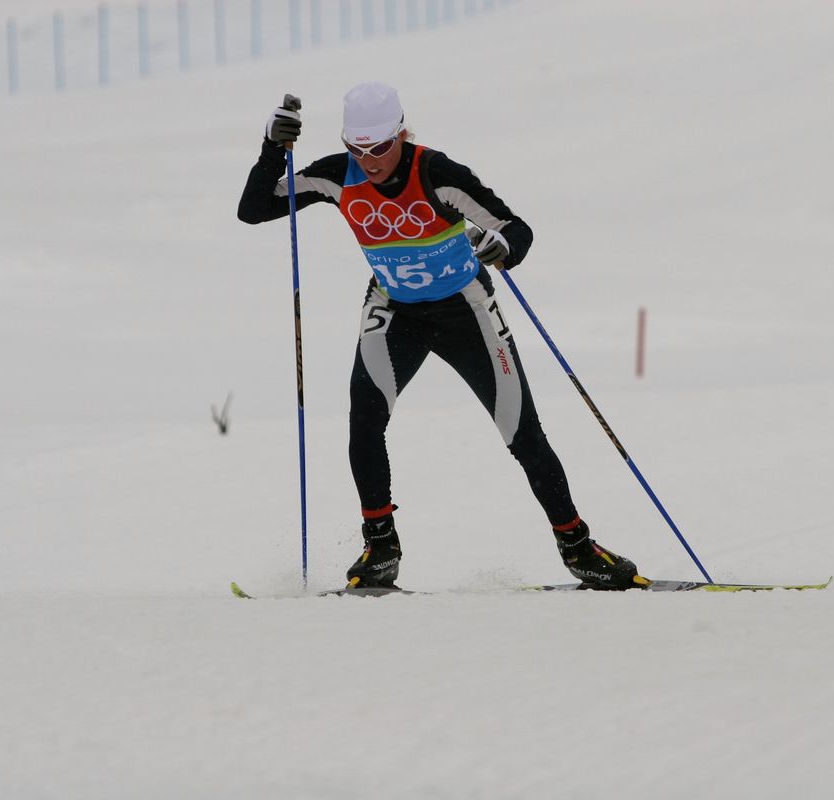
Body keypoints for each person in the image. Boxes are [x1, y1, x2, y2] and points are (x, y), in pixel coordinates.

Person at [238, 82, 648, 590]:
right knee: (363, 421)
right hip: (395, 309)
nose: (368, 161)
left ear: (401, 133)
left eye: (380, 148)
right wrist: (272, 148)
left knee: (522, 433)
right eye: (357, 148)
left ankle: (579, 548)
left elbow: (514, 226)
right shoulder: (335, 175)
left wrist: (502, 246)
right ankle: (381, 548)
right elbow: (255, 208)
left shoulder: (436, 172)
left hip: (464, 309)